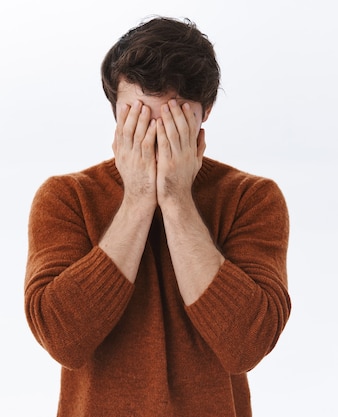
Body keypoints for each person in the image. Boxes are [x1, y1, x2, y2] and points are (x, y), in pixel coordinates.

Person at [24, 16, 290, 417]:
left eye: (173, 120)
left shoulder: (252, 198)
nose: (155, 135)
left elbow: (245, 346)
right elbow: (63, 339)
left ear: (206, 113)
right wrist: (138, 199)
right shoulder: (65, 197)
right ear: (116, 111)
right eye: (139, 117)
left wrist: (177, 198)